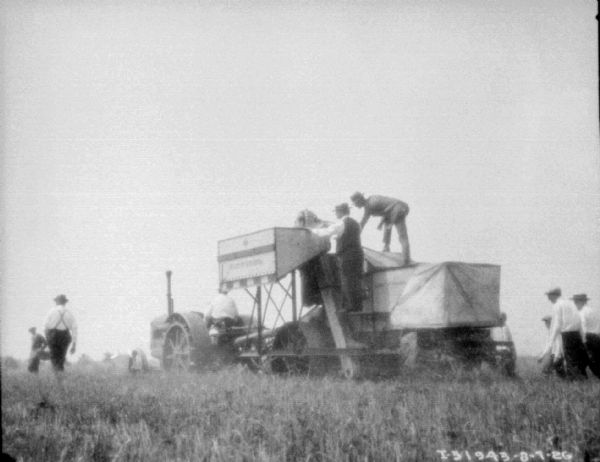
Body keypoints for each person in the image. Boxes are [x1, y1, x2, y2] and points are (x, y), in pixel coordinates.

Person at [312, 203, 364, 313]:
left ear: (340, 212)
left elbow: (326, 232)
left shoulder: (341, 223)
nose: (335, 214)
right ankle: (358, 306)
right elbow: (343, 232)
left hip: (346, 255)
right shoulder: (355, 223)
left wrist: (311, 230)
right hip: (358, 254)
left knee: (346, 279)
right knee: (356, 279)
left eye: (336, 212)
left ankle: (349, 307)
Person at [540, 287, 587, 380]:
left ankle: (574, 381)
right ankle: (581, 379)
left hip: (567, 333)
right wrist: (583, 337)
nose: (548, 299)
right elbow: (578, 319)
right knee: (576, 359)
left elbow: (557, 323)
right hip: (576, 333)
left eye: (549, 296)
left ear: (554, 295)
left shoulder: (557, 305)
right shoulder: (570, 303)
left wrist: (551, 342)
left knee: (570, 360)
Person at [350, 192, 411, 260]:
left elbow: (363, 222)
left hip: (398, 209)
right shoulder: (370, 202)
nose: (355, 205)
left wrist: (354, 235)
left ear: (359, 200)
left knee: (402, 236)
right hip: (397, 209)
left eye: (355, 203)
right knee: (387, 224)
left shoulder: (371, 204)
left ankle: (406, 258)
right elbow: (385, 211)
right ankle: (386, 247)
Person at [44, 294, 77, 388]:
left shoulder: (51, 311)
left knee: (54, 358)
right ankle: (60, 380)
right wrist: (74, 344)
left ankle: (58, 382)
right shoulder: (69, 313)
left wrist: (47, 339)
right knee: (61, 358)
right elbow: (74, 328)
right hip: (65, 337)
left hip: (53, 336)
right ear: (65, 302)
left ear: (57, 302)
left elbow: (45, 326)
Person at [573, 293, 600, 379]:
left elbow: (583, 328)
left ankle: (582, 380)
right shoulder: (593, 311)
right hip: (596, 337)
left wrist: (583, 342)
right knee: (595, 360)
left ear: (580, 302)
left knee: (581, 361)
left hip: (587, 337)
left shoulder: (581, 313)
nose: (574, 304)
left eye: (575, 302)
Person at [490, 312, 516, 376]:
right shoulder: (494, 328)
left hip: (505, 350)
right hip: (498, 351)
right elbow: (492, 339)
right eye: (500, 319)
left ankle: (509, 374)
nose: (502, 320)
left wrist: (513, 350)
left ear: (505, 319)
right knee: (501, 366)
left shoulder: (506, 328)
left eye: (503, 319)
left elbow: (510, 339)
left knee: (508, 364)